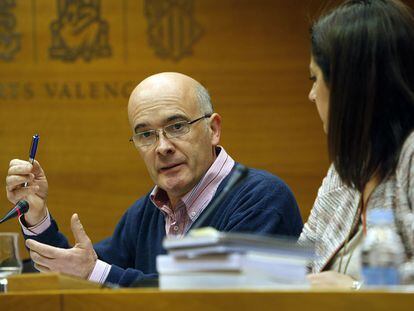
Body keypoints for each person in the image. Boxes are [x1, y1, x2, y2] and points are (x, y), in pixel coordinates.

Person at [6, 72, 303, 286]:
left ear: (213, 129)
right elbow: (74, 271)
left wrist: (96, 273)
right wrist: (36, 216)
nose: (162, 146)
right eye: (146, 134)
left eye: (177, 126)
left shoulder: (263, 200)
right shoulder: (146, 212)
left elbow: (208, 300)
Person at [299, 0, 414, 289]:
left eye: (315, 78)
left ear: (350, 84)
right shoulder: (345, 167)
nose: (311, 95)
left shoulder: (411, 155)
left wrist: (354, 293)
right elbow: (301, 261)